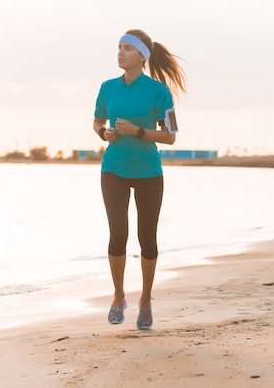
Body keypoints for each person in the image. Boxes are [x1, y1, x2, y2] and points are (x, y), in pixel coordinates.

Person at [93, 29, 186, 330]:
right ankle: (118, 296)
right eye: (118, 47)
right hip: (114, 169)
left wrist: (138, 131)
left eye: (127, 49)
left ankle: (145, 299)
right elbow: (97, 121)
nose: (120, 53)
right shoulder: (108, 88)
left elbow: (170, 137)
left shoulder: (159, 92)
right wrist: (103, 133)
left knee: (147, 239)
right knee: (118, 233)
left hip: (148, 172)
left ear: (142, 56)